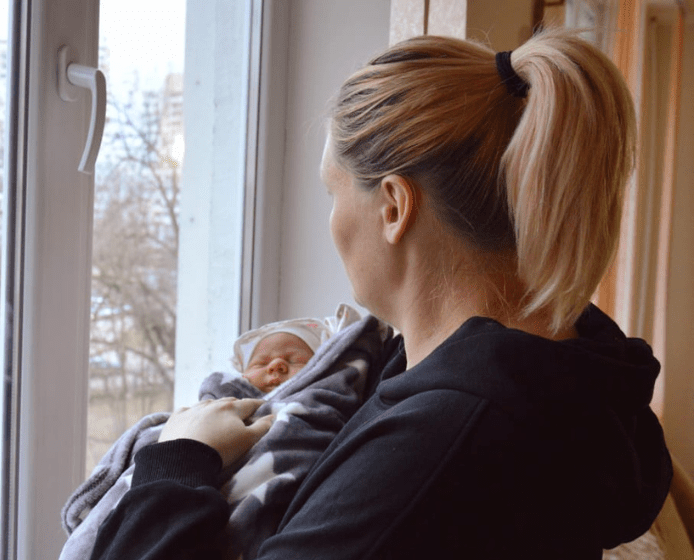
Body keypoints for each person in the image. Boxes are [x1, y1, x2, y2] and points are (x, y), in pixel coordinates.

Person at [89, 28, 673, 560]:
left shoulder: (435, 446)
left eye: (332, 192)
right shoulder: (566, 376)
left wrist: (175, 462)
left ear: (394, 207)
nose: (332, 221)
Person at [61, 304, 390, 560]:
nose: (276, 366)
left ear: (323, 366)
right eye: (262, 363)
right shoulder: (218, 402)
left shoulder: (318, 406)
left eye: (295, 359)